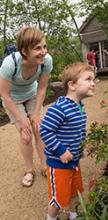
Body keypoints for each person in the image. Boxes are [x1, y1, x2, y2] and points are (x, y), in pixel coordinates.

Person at [40, 62, 95, 220]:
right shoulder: (59, 107)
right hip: (59, 163)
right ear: (72, 85)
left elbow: (78, 131)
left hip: (73, 161)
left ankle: (73, 214)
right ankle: (51, 218)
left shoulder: (79, 106)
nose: (93, 83)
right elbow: (45, 130)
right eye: (88, 79)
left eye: (93, 79)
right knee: (58, 197)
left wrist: (80, 149)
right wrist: (61, 150)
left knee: (75, 191)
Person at [0, 26, 53, 187]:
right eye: (37, 48)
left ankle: (45, 166)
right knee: (26, 134)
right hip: (13, 99)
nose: (43, 51)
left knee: (39, 128)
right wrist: (21, 121)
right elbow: (5, 94)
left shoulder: (46, 61)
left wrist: (36, 113)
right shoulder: (10, 64)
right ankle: (29, 170)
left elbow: (42, 87)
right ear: (24, 50)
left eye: (44, 46)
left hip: (31, 94)